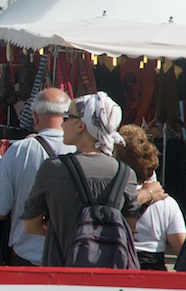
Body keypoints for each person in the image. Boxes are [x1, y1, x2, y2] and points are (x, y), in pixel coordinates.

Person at [22, 92, 139, 267]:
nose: (62, 123)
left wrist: (66, 232)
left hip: (63, 272)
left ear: (80, 125)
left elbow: (30, 226)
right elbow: (129, 227)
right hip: (112, 279)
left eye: (67, 117)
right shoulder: (125, 173)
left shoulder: (54, 168)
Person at [0, 88, 75, 266]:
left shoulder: (18, 151)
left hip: (26, 256)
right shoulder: (81, 150)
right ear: (67, 116)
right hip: (72, 257)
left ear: (35, 116)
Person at [114, 125, 185, 269]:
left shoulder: (112, 198)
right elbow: (181, 249)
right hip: (154, 274)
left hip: (118, 268)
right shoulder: (167, 202)